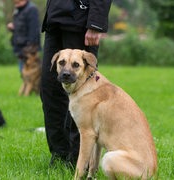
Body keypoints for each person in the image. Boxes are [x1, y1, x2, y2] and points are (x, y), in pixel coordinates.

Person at [40, 0, 112, 167]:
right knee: (49, 89)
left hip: (81, 20)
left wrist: (95, 23)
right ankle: (59, 155)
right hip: (55, 21)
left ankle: (77, 160)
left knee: (85, 97)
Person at [7, 0, 41, 74]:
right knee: (23, 74)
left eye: (17, 2)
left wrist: (29, 49)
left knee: (30, 76)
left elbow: (34, 30)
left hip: (28, 50)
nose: (15, 3)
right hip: (20, 48)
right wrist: (13, 27)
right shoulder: (18, 9)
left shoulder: (32, 9)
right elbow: (21, 27)